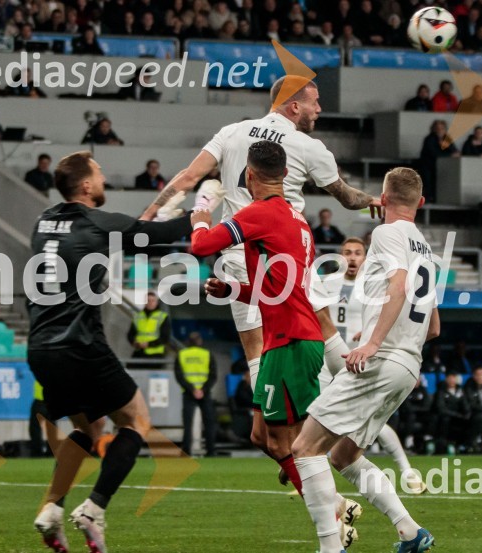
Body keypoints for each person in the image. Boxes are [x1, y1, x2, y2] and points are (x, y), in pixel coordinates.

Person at [139, 77, 381, 487]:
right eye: (314, 102)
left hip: (241, 257)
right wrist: (373, 199)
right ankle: (355, 411)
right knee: (324, 334)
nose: (319, 109)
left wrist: (147, 216)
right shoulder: (308, 147)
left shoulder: (232, 132)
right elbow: (345, 196)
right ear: (293, 106)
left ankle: (295, 448)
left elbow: (188, 177)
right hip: (291, 254)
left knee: (261, 359)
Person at [29, 151, 197, 552]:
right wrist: (201, 213)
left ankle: (51, 508)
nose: (104, 180)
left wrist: (148, 219)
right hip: (80, 343)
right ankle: (94, 509)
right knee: (136, 421)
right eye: (99, 174)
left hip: (41, 347)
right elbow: (156, 236)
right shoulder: (96, 222)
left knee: (88, 430)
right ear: (86, 185)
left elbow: (125, 237)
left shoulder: (43, 222)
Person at [292, 166, 440, 553]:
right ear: (421, 203)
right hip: (407, 365)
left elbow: (399, 285)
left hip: (382, 360)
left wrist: (374, 341)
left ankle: (330, 547)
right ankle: (410, 531)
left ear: (384, 199)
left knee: (305, 448)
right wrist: (388, 335)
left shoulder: (387, 233)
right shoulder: (425, 249)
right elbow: (434, 326)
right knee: (344, 455)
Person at [193, 140, 324, 500]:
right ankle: (326, 502)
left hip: (291, 341)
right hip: (286, 339)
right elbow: (277, 291)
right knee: (262, 436)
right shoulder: (299, 221)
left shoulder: (259, 213)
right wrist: (232, 289)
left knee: (288, 443)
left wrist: (200, 218)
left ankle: (331, 512)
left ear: (249, 176)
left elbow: (201, 246)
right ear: (285, 174)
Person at [319, 237, 428, 493]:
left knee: (369, 418)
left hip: (359, 360)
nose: (352, 257)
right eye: (347, 252)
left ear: (365, 257)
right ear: (340, 256)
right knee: (318, 417)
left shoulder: (373, 283)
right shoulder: (327, 283)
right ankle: (315, 479)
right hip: (328, 358)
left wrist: (368, 336)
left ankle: (407, 471)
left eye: (357, 253)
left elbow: (388, 313)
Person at [174, 331, 217, 457]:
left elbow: (179, 376)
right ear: (200, 341)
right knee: (209, 422)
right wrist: (203, 390)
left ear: (188, 342)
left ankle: (186, 450)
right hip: (205, 393)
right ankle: (211, 451)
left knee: (188, 423)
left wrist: (192, 389)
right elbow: (213, 375)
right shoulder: (207, 354)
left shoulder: (181, 354)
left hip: (188, 393)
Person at [418, 119, 459, 203]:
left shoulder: (447, 139)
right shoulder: (429, 139)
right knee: (428, 183)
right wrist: (449, 155)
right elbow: (434, 153)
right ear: (434, 129)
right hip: (428, 166)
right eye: (437, 128)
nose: (440, 130)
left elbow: (454, 151)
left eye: (442, 128)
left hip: (441, 167)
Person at [127, 291, 170, 364]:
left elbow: (165, 337)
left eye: (153, 301)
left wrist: (148, 344)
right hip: (139, 352)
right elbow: (130, 334)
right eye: (148, 300)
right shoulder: (138, 316)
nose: (150, 303)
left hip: (156, 354)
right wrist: (134, 342)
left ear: (157, 302)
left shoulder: (163, 316)